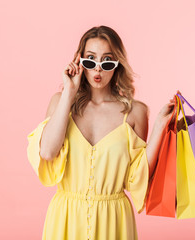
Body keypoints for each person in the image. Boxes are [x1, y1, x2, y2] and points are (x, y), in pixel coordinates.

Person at [27, 25, 180, 240]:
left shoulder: (135, 112)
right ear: (80, 62)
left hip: (114, 220)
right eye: (90, 60)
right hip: (66, 219)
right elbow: (47, 152)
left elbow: (136, 178)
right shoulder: (60, 103)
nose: (98, 69)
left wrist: (159, 127)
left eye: (107, 61)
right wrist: (68, 95)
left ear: (117, 64)